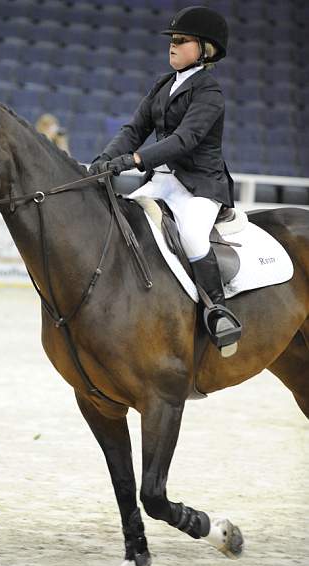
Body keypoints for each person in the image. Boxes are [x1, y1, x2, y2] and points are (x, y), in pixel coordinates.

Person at [88, 5, 241, 357]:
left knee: (190, 236)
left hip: (200, 185)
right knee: (122, 221)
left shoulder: (209, 92)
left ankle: (218, 310)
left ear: (206, 49)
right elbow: (134, 129)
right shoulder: (163, 85)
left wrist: (137, 159)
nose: (172, 46)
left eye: (181, 40)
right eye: (171, 40)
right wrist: (106, 158)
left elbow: (185, 139)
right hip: (162, 181)